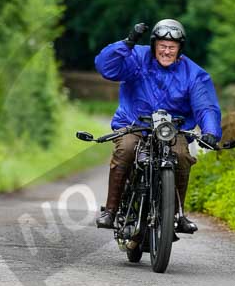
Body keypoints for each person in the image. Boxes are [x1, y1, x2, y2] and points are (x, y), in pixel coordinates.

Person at [94, 19, 222, 234]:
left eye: (172, 47)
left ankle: (177, 214)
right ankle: (111, 210)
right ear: (154, 45)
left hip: (172, 130)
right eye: (162, 46)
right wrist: (127, 43)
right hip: (133, 124)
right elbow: (106, 67)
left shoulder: (193, 73)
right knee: (126, 149)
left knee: (181, 156)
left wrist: (210, 132)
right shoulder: (136, 58)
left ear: (180, 48)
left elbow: (206, 106)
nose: (166, 51)